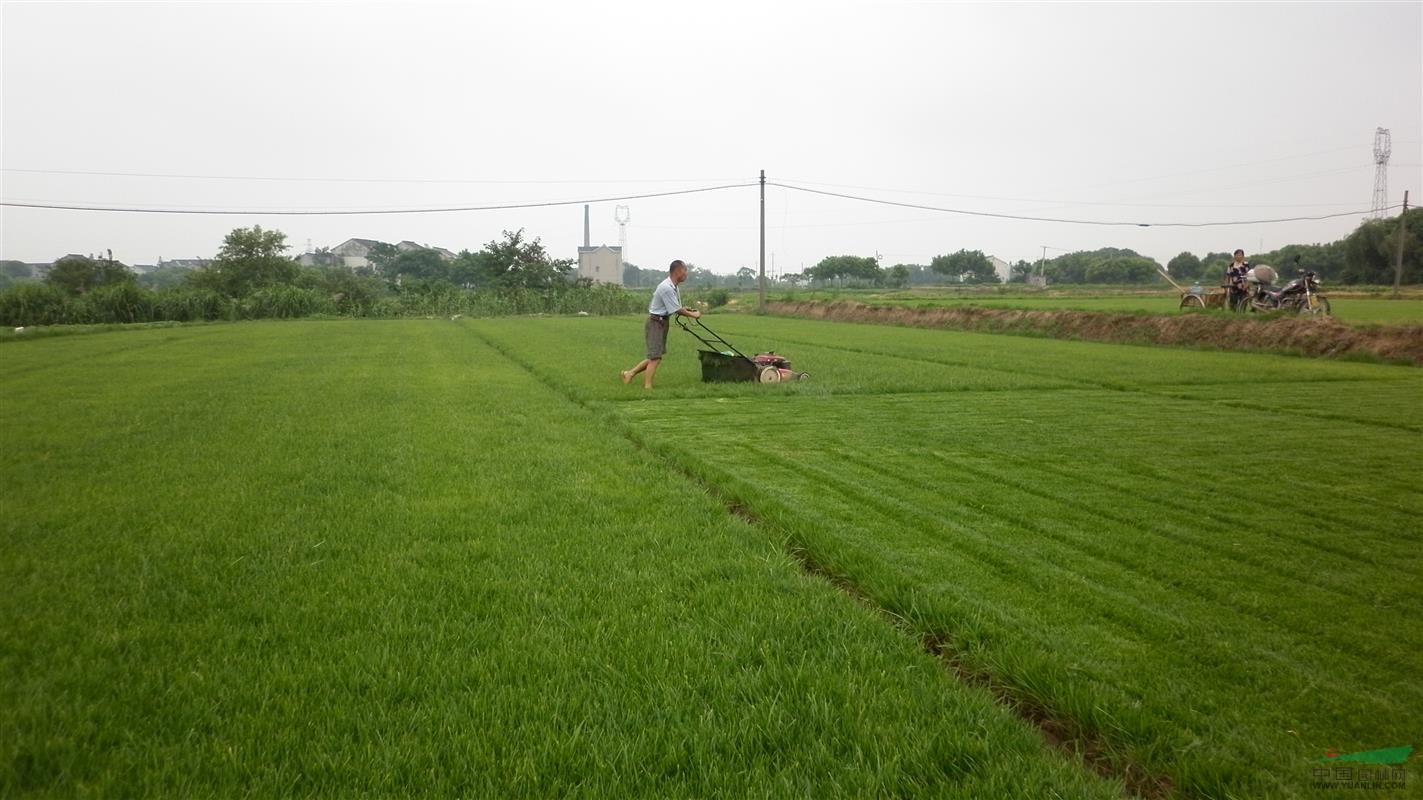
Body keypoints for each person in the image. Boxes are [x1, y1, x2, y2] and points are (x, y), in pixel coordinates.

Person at [621, 259, 701, 389]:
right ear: (678, 271)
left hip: (662, 322)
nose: (686, 273)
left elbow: (675, 306)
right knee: (655, 357)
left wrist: (685, 309)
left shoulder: (673, 286)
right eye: (685, 270)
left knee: (655, 356)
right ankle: (648, 387)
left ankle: (629, 374)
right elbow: (676, 310)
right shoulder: (666, 287)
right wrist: (694, 315)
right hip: (655, 323)